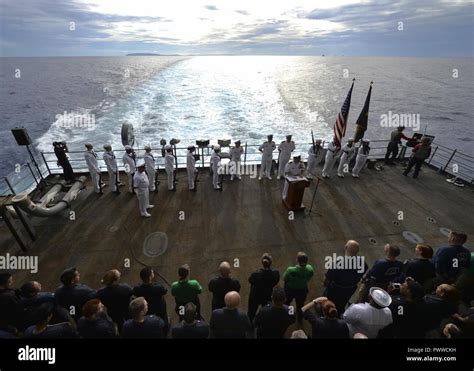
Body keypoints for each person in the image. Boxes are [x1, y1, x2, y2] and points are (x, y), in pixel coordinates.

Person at [324, 240, 368, 315]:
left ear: (346, 247)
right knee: (342, 302)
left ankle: (327, 313)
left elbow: (328, 278)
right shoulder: (363, 263)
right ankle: (340, 311)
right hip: (350, 289)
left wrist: (326, 284)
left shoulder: (338, 262)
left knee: (329, 303)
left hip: (335, 289)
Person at [247, 253, 280, 323]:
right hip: (267, 295)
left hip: (255, 295)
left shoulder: (255, 274)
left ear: (262, 263)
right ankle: (263, 322)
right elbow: (276, 281)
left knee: (252, 311)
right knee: (266, 310)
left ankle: (250, 322)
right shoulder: (275, 273)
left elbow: (250, 280)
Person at [283, 252, 314, 322]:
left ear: (297, 260)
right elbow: (311, 275)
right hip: (302, 290)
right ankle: (300, 319)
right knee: (300, 305)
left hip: (290, 289)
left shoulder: (290, 270)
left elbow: (285, 278)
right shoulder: (310, 269)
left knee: (287, 302)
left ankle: (286, 315)